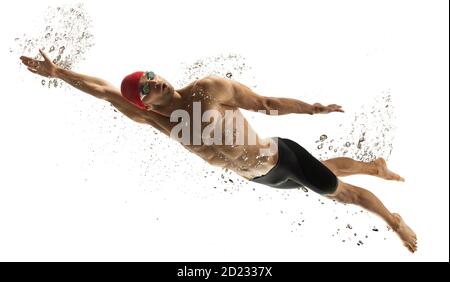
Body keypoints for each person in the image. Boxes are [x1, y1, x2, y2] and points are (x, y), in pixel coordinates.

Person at [20, 49, 417, 252]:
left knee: (339, 193)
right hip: (261, 178)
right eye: (145, 87)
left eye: (152, 76)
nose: (154, 83)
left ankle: (393, 220)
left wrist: (311, 108)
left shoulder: (208, 89)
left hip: (281, 157)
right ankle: (372, 165)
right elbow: (105, 91)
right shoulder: (155, 120)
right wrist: (59, 74)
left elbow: (265, 103)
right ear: (141, 104)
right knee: (325, 172)